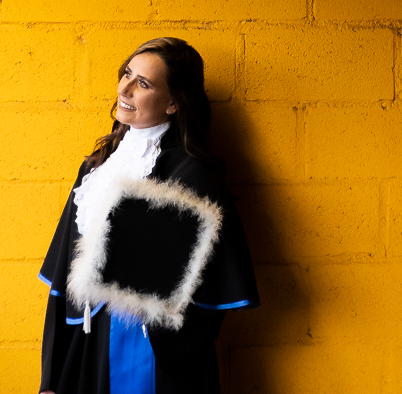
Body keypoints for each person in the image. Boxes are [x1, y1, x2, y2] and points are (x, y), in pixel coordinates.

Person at [38, 37, 259, 394]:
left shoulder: (194, 175)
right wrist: (51, 376)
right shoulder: (96, 168)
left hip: (155, 351)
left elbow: (208, 291)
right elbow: (64, 278)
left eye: (143, 83)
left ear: (173, 103)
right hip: (89, 342)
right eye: (127, 74)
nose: (124, 89)